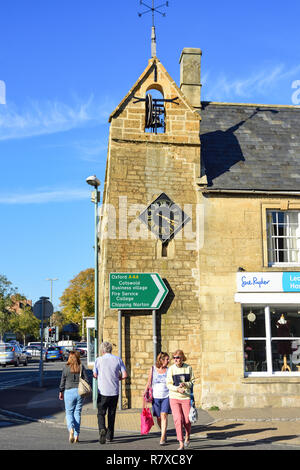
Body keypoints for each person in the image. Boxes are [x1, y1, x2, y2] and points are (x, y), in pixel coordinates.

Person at [93, 341, 127, 444]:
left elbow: (95, 374)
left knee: (101, 413)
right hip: (114, 391)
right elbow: (125, 375)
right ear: (111, 349)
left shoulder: (98, 360)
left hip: (102, 391)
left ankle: (102, 429)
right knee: (112, 414)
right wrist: (118, 378)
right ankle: (110, 436)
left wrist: (100, 377)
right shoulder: (118, 359)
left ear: (102, 350)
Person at [166, 349, 195, 450]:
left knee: (187, 420)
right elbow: (168, 384)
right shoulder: (171, 369)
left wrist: (185, 384)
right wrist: (177, 389)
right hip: (174, 397)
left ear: (182, 358)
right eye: (174, 358)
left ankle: (187, 435)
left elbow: (192, 382)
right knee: (178, 419)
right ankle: (181, 443)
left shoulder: (189, 368)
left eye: (177, 357)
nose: (175, 359)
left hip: (186, 397)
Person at [59, 350, 90, 443]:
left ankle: (71, 429)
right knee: (77, 413)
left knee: (69, 413)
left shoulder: (65, 367)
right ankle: (76, 435)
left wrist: (61, 391)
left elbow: (62, 381)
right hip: (79, 392)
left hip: (68, 392)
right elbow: (87, 380)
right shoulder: (81, 367)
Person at [144, 352, 171, 445]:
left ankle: (163, 437)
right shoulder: (153, 369)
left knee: (164, 415)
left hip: (166, 396)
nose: (168, 361)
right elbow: (149, 382)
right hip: (155, 397)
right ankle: (163, 431)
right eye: (167, 359)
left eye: (168, 359)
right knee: (159, 417)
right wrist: (145, 392)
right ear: (161, 360)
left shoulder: (169, 370)